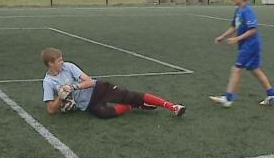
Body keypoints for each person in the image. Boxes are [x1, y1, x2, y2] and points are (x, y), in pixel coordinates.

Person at [40, 47, 186, 118]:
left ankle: (172, 106)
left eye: (61, 59)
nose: (62, 62)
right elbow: (51, 110)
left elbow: (90, 82)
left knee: (132, 95)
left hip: (99, 89)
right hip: (87, 104)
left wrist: (73, 87)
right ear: (50, 64)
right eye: (59, 61)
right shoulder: (48, 82)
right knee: (104, 114)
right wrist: (61, 96)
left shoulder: (69, 67)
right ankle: (132, 107)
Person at [209, 0, 274, 107]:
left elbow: (253, 29)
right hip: (247, 45)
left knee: (236, 70)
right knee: (255, 69)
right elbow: (234, 27)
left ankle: (228, 98)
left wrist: (237, 38)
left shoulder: (247, 11)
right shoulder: (238, 11)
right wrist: (222, 37)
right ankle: (272, 93)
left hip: (250, 46)